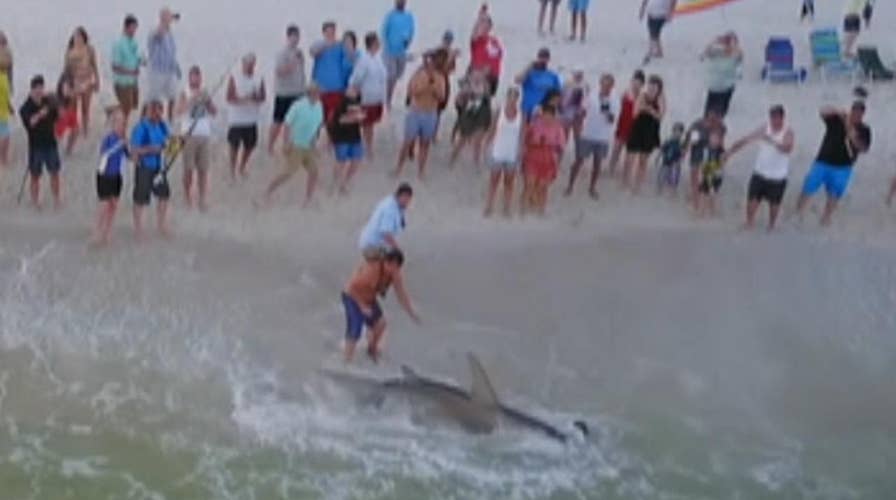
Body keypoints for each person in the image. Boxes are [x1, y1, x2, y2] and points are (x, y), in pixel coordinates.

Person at [796, 102, 871, 226]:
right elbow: (822, 111)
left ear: (863, 115)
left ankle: (826, 218)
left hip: (843, 167)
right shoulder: (837, 120)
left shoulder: (864, 129)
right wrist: (837, 111)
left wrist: (852, 134)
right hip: (823, 161)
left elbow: (863, 148)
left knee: (834, 194)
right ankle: (798, 213)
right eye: (854, 111)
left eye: (859, 113)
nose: (856, 115)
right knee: (808, 187)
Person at [341, 247, 421, 363]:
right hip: (352, 297)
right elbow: (352, 288)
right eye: (394, 267)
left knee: (380, 324)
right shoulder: (372, 270)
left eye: (398, 268)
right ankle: (346, 361)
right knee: (355, 329)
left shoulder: (395, 274)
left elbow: (401, 295)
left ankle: (371, 351)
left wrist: (412, 313)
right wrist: (362, 306)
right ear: (388, 262)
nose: (396, 271)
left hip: (369, 299)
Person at [726, 105, 794, 231]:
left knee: (774, 204)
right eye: (771, 117)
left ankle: (771, 225)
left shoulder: (788, 132)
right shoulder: (765, 128)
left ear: (782, 118)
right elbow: (746, 139)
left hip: (777, 176)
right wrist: (730, 152)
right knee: (752, 199)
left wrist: (772, 140)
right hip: (760, 172)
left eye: (776, 118)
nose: (773, 121)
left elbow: (787, 148)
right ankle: (749, 222)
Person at [260, 84, 324, 208]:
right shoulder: (298, 106)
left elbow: (317, 126)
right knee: (287, 173)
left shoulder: (319, 106)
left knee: (314, 172)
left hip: (308, 146)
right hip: (296, 145)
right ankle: (267, 192)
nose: (319, 95)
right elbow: (287, 124)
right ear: (310, 93)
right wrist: (286, 142)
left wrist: (314, 144)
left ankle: (308, 199)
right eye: (317, 93)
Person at [392, 55, 446, 180]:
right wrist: (424, 86)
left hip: (430, 113)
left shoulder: (439, 78)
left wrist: (433, 88)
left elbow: (442, 98)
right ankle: (398, 168)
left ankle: (421, 171)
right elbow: (411, 93)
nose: (430, 67)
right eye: (428, 65)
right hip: (416, 112)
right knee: (407, 142)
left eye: (432, 65)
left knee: (425, 144)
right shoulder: (417, 76)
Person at [565, 73, 617, 199]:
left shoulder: (615, 100)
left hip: (602, 136)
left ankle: (592, 188)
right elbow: (582, 111)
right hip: (587, 133)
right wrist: (579, 125)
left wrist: (606, 109)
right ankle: (570, 186)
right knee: (579, 161)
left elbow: (612, 119)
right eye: (604, 84)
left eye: (608, 85)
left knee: (597, 163)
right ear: (600, 84)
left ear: (612, 86)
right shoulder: (591, 96)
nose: (606, 87)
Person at [175, 65, 217, 211]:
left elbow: (214, 111)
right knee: (188, 169)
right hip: (188, 134)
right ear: (189, 78)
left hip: (204, 134)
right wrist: (192, 99)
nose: (196, 79)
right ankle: (187, 196)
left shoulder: (205, 92)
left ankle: (202, 199)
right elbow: (179, 111)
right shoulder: (184, 92)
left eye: (198, 76)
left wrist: (208, 101)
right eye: (194, 76)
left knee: (203, 170)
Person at [130, 98, 171, 240]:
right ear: (146, 112)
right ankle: (138, 229)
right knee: (140, 199)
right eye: (153, 110)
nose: (156, 114)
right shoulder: (140, 128)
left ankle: (161, 225)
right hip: (144, 168)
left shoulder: (163, 126)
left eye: (159, 110)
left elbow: (168, 144)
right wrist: (149, 149)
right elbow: (133, 150)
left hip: (159, 168)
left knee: (164, 196)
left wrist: (175, 145)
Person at [19, 75, 61, 211]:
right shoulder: (26, 107)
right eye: (36, 89)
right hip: (35, 146)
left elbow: (58, 116)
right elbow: (29, 123)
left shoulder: (49, 101)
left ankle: (56, 199)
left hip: (50, 143)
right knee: (35, 175)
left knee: (54, 172)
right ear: (31, 90)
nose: (39, 91)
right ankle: (35, 201)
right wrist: (40, 114)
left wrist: (56, 106)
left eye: (41, 88)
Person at [521, 90, 566, 216]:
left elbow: (561, 146)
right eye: (545, 114)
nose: (547, 117)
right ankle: (523, 210)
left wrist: (558, 162)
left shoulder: (558, 127)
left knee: (543, 187)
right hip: (533, 156)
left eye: (550, 115)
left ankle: (540, 210)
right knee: (529, 184)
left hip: (548, 159)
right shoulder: (534, 124)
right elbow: (526, 139)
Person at [91, 108, 130, 247]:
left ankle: (108, 231)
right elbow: (104, 154)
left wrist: (127, 146)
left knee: (114, 205)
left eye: (123, 123)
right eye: (118, 122)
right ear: (112, 124)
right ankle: (96, 232)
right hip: (104, 175)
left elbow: (128, 157)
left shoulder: (124, 138)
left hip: (117, 176)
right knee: (103, 205)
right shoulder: (108, 138)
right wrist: (120, 144)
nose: (121, 125)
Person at [226, 53, 265, 182]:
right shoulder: (234, 78)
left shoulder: (259, 78)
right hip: (236, 120)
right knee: (234, 146)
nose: (249, 66)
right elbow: (229, 98)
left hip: (251, 120)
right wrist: (244, 99)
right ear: (242, 64)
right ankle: (232, 171)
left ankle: (242, 166)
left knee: (250, 145)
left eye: (251, 63)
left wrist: (256, 98)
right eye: (247, 63)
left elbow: (263, 97)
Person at [268, 24, 307, 154]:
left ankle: (287, 145)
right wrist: (293, 63)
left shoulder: (299, 52)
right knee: (278, 121)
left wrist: (304, 89)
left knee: (293, 122)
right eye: (293, 36)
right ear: (288, 37)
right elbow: (279, 72)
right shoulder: (282, 53)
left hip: (298, 92)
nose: (296, 39)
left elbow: (302, 72)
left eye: (297, 36)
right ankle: (270, 145)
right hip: (284, 93)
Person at [484, 87, 523, 217]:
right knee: (493, 181)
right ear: (507, 97)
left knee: (509, 182)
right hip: (498, 150)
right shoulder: (499, 112)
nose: (512, 100)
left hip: (512, 152)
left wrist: (521, 150)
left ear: (517, 99)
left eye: (515, 97)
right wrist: (486, 144)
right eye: (510, 97)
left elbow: (523, 135)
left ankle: (506, 208)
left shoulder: (521, 115)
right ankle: (489, 206)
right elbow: (491, 129)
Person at [623, 74, 665, 194]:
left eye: (654, 87)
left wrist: (649, 110)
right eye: (650, 86)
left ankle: (637, 185)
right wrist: (646, 109)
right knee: (629, 157)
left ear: (659, 88)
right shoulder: (642, 95)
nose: (651, 89)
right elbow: (635, 113)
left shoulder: (661, 98)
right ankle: (625, 181)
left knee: (643, 160)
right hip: (638, 128)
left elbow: (660, 116)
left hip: (650, 131)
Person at [349, 32, 388, 159]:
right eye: (377, 42)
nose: (380, 44)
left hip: (377, 98)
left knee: (370, 124)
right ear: (372, 44)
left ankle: (367, 146)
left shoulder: (378, 58)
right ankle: (367, 148)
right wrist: (355, 93)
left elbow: (383, 78)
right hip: (366, 98)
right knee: (366, 125)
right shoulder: (363, 60)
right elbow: (356, 79)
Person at [683, 108, 726, 208]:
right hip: (697, 148)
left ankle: (704, 202)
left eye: (719, 119)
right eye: (714, 119)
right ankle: (695, 201)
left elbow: (721, 142)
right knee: (694, 174)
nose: (716, 122)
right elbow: (691, 141)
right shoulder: (697, 125)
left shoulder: (721, 127)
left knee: (708, 179)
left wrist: (722, 158)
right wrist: (685, 151)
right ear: (708, 117)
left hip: (711, 151)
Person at [450, 68, 491, 168]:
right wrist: (466, 93)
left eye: (480, 76)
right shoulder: (466, 87)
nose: (478, 77)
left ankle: (476, 162)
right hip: (469, 113)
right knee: (462, 139)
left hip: (482, 113)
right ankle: (452, 160)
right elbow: (458, 102)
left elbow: (487, 98)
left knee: (478, 141)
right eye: (475, 76)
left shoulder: (485, 86)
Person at [311, 21, 349, 127]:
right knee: (319, 119)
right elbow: (312, 52)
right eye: (328, 31)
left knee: (334, 119)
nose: (331, 34)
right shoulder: (318, 45)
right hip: (321, 88)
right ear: (323, 33)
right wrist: (325, 45)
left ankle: (330, 141)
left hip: (337, 88)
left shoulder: (340, 46)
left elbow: (346, 64)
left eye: (333, 31)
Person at [147, 8, 182, 123]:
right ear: (162, 18)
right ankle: (148, 122)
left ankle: (170, 122)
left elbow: (171, 52)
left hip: (169, 72)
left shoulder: (170, 33)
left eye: (170, 17)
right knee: (154, 99)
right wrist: (165, 21)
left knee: (173, 97)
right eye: (168, 17)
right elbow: (158, 35)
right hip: (157, 72)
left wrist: (177, 68)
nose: (171, 20)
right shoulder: (155, 31)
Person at [63, 27, 99, 136]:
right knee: (73, 108)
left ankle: (85, 130)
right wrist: (66, 85)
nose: (77, 39)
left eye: (79, 36)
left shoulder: (90, 49)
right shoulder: (70, 51)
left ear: (84, 38)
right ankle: (74, 129)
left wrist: (97, 80)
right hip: (75, 82)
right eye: (75, 37)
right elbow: (66, 69)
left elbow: (94, 65)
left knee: (85, 108)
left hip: (87, 81)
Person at [359, 183, 413, 255]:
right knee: (382, 264)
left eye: (409, 199)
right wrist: (397, 249)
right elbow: (386, 234)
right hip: (373, 245)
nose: (407, 202)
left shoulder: (393, 201)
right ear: (399, 196)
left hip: (375, 243)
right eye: (406, 199)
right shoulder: (390, 210)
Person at [330, 87, 365, 195]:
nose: (354, 91)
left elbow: (361, 118)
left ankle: (345, 181)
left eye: (355, 90)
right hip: (341, 137)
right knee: (341, 161)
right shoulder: (341, 103)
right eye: (351, 90)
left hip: (355, 136)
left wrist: (360, 118)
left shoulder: (358, 102)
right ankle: (336, 184)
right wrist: (355, 118)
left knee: (356, 161)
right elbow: (340, 120)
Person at [609, 70, 645, 175]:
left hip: (634, 127)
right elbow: (617, 107)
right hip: (622, 124)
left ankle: (626, 173)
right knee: (616, 149)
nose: (636, 84)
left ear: (642, 84)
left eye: (638, 83)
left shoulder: (642, 97)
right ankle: (611, 168)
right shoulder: (625, 93)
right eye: (634, 82)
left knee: (630, 153)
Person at [381, 0, 416, 108]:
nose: (400, 2)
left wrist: (408, 42)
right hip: (389, 52)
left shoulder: (409, 16)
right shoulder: (390, 16)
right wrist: (386, 46)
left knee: (398, 75)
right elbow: (384, 32)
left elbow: (412, 31)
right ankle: (387, 100)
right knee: (391, 75)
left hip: (402, 52)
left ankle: (389, 94)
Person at [701, 32, 742, 117]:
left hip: (725, 89)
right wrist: (714, 41)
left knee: (719, 115)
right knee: (706, 115)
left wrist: (733, 43)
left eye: (729, 43)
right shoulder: (716, 53)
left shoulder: (735, 56)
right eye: (726, 42)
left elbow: (740, 57)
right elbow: (702, 56)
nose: (727, 45)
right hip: (713, 88)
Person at [515, 47, 562, 121]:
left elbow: (558, 94)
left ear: (548, 59)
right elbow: (517, 80)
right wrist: (529, 66)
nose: (543, 60)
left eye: (545, 57)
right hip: (528, 109)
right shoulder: (529, 73)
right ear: (537, 57)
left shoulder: (552, 75)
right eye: (541, 57)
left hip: (546, 112)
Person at [111, 15, 142, 122]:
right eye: (132, 28)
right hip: (122, 83)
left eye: (135, 28)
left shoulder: (133, 42)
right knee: (126, 110)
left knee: (133, 106)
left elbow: (136, 58)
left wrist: (143, 62)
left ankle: (112, 111)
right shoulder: (118, 44)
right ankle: (121, 130)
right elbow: (115, 67)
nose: (134, 31)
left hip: (133, 81)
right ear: (125, 27)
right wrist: (131, 72)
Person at [469, 6, 503, 98]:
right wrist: (480, 17)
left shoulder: (494, 41)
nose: (483, 25)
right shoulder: (478, 40)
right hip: (478, 77)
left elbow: (498, 58)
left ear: (490, 26)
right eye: (481, 23)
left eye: (485, 23)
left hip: (491, 78)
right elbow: (474, 35)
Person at [695, 130, 728, 218]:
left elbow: (723, 162)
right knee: (703, 193)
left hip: (716, 175)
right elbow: (703, 162)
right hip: (706, 173)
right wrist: (701, 174)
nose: (714, 140)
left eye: (716, 139)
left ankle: (713, 211)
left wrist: (720, 168)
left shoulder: (721, 150)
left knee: (713, 193)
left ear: (719, 140)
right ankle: (701, 211)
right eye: (713, 138)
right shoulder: (705, 149)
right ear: (709, 139)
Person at [54, 70, 80, 156]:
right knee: (58, 134)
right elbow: (66, 93)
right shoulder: (66, 78)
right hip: (63, 109)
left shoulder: (72, 77)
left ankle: (68, 150)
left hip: (70, 108)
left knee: (75, 130)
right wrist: (76, 91)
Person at [656, 122, 685, 197]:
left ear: (682, 133)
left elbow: (682, 154)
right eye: (675, 131)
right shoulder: (668, 141)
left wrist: (680, 160)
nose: (677, 133)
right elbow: (662, 150)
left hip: (675, 164)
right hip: (666, 162)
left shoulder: (681, 143)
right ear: (673, 131)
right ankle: (659, 191)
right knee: (661, 177)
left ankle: (672, 192)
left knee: (674, 179)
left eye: (679, 132)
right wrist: (657, 158)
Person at [560, 68, 588, 142]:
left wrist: (585, 111)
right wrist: (560, 109)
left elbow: (587, 100)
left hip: (578, 114)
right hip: (566, 113)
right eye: (577, 74)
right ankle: (561, 152)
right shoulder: (566, 83)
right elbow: (560, 97)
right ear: (573, 74)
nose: (579, 76)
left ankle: (578, 152)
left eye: (581, 74)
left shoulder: (585, 85)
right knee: (563, 136)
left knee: (578, 136)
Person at [0, 67, 11, 169]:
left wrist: (10, 107)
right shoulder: (4, 78)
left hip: (3, 112)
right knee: (5, 136)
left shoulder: (4, 78)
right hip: (2, 113)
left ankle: (3, 158)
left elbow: (6, 95)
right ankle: (3, 159)